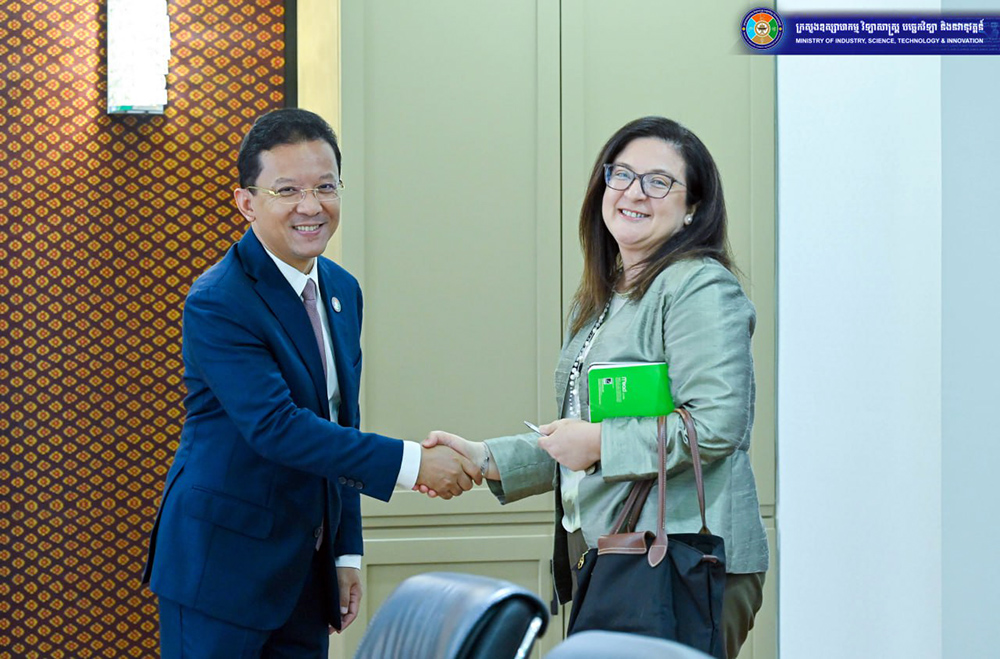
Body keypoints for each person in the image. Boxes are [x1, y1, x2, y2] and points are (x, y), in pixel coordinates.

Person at [422, 116, 769, 659]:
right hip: (620, 558)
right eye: (621, 174)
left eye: (659, 182)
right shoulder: (604, 298)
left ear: (693, 208)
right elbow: (584, 440)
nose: (634, 192)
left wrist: (599, 442)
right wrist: (487, 458)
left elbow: (715, 426)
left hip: (679, 562)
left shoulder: (699, 285)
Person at [141, 108, 481, 658]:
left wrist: (345, 552)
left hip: (305, 569)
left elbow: (341, 422)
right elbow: (277, 428)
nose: (311, 206)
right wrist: (413, 464)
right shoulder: (219, 300)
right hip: (219, 571)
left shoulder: (342, 290)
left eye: (325, 186)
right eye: (288, 190)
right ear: (246, 202)